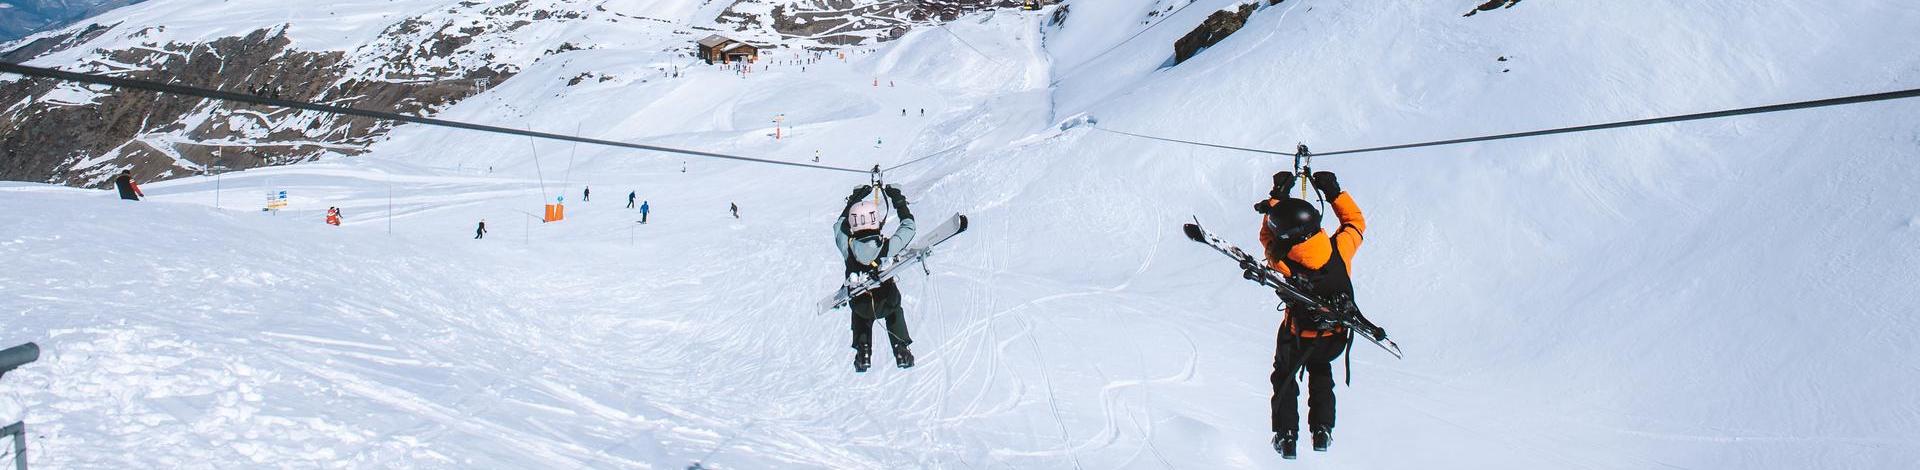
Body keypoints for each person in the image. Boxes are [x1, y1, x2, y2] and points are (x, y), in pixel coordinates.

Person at [1254, 171, 1367, 459]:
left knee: (1284, 377)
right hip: (1334, 338)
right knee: (1321, 372)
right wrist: (1334, 192)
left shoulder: (1282, 261)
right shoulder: (1339, 250)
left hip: (1297, 335)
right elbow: (1355, 223)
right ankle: (1322, 430)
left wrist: (1277, 195)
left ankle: (1286, 435)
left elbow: (1267, 235)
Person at [834, 183, 917, 372]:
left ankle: (863, 351)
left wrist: (854, 200)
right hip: (887, 302)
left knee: (860, 315)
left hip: (861, 307)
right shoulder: (886, 247)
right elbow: (909, 227)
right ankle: (901, 348)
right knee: (895, 311)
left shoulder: (848, 249)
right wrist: (898, 199)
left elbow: (839, 227)